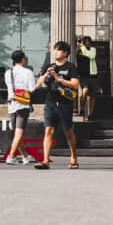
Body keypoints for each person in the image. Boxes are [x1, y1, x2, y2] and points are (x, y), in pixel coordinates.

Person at [34, 41, 81, 169]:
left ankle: (73, 157)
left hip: (65, 103)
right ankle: (45, 160)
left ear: (65, 53)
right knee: (48, 130)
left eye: (58, 50)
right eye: (54, 50)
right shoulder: (49, 66)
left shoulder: (71, 67)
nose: (56, 52)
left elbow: (76, 84)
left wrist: (59, 79)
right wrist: (46, 75)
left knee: (68, 131)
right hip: (50, 101)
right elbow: (37, 85)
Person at [4, 50, 36, 165]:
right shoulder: (28, 72)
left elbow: (9, 87)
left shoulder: (8, 72)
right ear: (23, 59)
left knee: (17, 132)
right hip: (23, 104)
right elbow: (32, 89)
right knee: (19, 132)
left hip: (11, 104)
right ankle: (11, 156)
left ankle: (25, 156)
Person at [77, 36, 99, 120]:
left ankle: (91, 114)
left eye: (88, 41)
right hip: (83, 75)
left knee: (93, 95)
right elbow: (79, 58)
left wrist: (83, 49)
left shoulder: (93, 49)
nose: (87, 43)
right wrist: (82, 48)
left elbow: (92, 56)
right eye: (85, 42)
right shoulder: (79, 50)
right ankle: (82, 109)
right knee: (85, 91)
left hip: (93, 75)